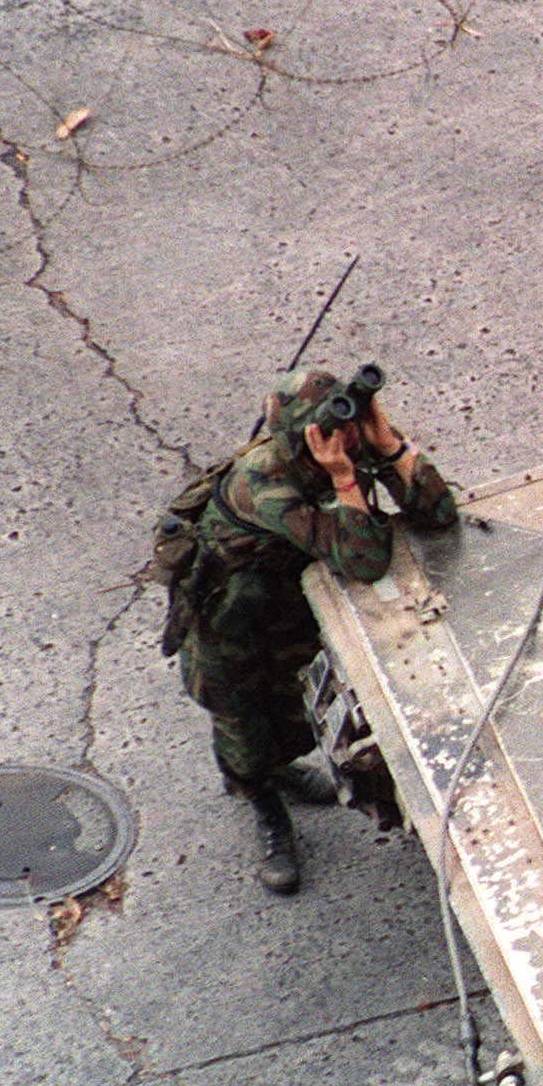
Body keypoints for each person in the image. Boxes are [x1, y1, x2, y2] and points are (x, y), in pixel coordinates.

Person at [174, 366, 456, 893]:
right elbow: (365, 560)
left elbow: (438, 513)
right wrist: (346, 479)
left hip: (289, 599)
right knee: (243, 725)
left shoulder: (340, 449)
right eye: (332, 430)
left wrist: (387, 444)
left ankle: (279, 769)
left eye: (348, 425)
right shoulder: (266, 483)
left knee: (299, 707)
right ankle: (265, 807)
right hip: (232, 618)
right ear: (301, 440)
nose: (344, 437)